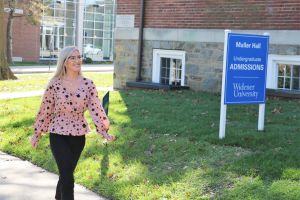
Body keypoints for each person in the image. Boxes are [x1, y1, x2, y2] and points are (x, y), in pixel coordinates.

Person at [31, 46, 116, 200]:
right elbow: (46, 109)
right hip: (58, 134)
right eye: (73, 57)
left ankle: (58, 197)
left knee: (66, 173)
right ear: (64, 62)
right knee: (68, 177)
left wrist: (104, 131)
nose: (78, 60)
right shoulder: (54, 84)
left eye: (79, 57)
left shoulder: (88, 84)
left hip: (78, 135)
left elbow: (96, 109)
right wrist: (37, 133)